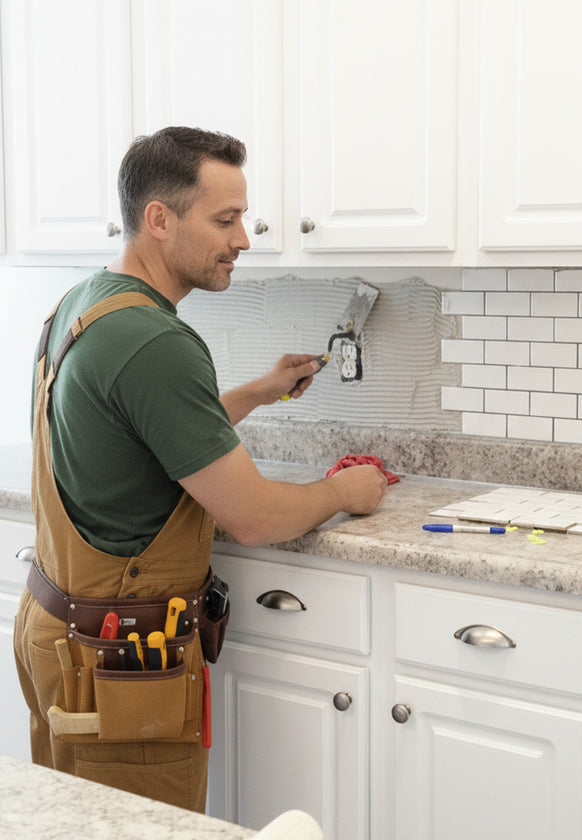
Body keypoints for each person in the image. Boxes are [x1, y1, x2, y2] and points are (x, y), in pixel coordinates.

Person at [13, 126, 388, 812]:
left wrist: (253, 392)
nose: (243, 238)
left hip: (55, 634)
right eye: (225, 219)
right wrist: (345, 490)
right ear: (160, 219)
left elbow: (143, 429)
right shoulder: (158, 341)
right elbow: (254, 518)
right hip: (120, 664)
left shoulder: (86, 304)